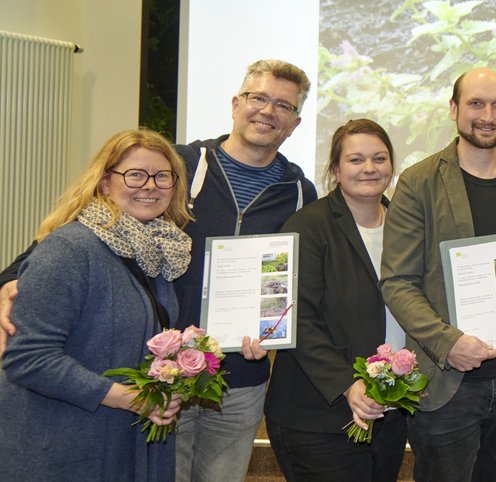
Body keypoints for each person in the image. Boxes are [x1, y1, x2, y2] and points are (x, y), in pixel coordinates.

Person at [0, 59, 317, 481]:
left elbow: (293, 280)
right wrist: (11, 277)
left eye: (282, 105)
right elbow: (78, 225)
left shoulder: (300, 191)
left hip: (241, 374)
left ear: (294, 123)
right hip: (158, 374)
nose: (267, 111)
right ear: (236, 103)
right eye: (258, 98)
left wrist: (272, 331)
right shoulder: (178, 165)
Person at [381, 67, 496, 482]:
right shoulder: (419, 182)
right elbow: (397, 281)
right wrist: (448, 343)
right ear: (454, 110)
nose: (487, 115)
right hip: (449, 379)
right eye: (476, 103)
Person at [0, 129, 191, 480]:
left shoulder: (161, 253)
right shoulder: (70, 249)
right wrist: (123, 396)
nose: (150, 185)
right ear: (104, 183)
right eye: (135, 174)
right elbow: (27, 358)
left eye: (162, 175)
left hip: (121, 443)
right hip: (60, 445)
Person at [264, 119, 406, 481]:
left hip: (388, 411)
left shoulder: (407, 225)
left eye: (380, 158)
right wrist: (348, 384)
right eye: (356, 160)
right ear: (336, 169)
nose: (370, 168)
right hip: (318, 417)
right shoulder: (307, 226)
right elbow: (295, 318)